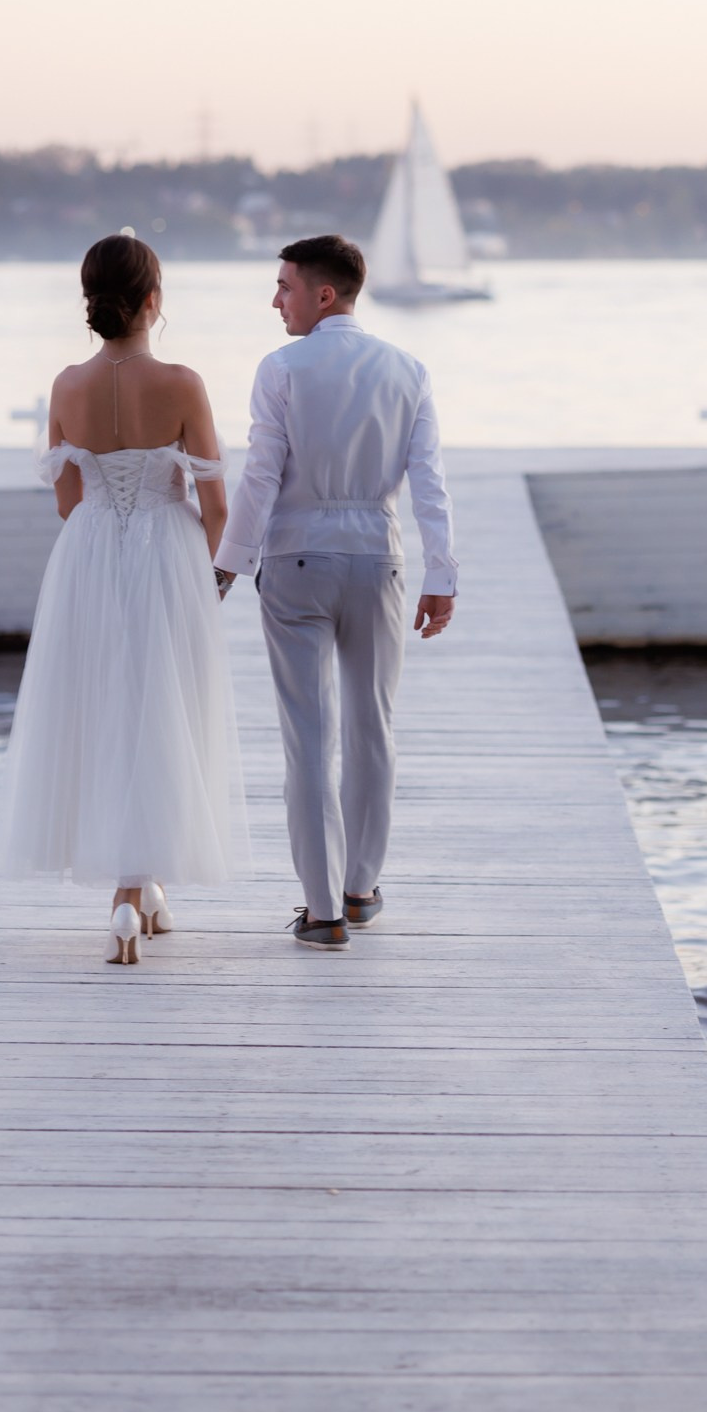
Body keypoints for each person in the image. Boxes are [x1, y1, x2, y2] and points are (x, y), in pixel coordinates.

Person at [0, 233, 248, 962]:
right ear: (152, 301)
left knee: (107, 709)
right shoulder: (182, 382)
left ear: (91, 300)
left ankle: (138, 892)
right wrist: (215, 579)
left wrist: (106, 533)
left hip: (89, 556)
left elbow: (67, 500)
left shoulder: (66, 385)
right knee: (165, 711)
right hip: (168, 552)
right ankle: (131, 893)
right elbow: (218, 506)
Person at [215, 234, 456, 949]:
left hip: (294, 563)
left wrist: (228, 564)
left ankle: (320, 913)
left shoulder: (282, 368)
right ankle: (360, 889)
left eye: (285, 285)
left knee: (308, 737)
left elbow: (261, 475)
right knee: (372, 726)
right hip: (376, 559)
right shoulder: (408, 369)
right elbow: (430, 485)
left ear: (324, 293)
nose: (275, 299)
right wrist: (441, 576)